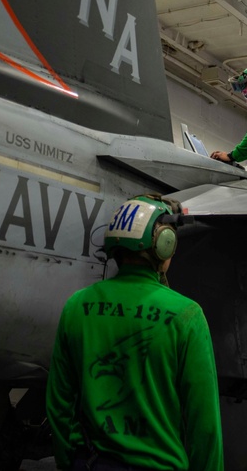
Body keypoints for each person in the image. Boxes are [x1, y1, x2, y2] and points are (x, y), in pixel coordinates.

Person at [46, 194, 223, 471]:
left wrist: (69, 460)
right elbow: (204, 424)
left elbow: (59, 403)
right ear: (164, 246)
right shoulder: (186, 315)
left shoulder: (77, 306)